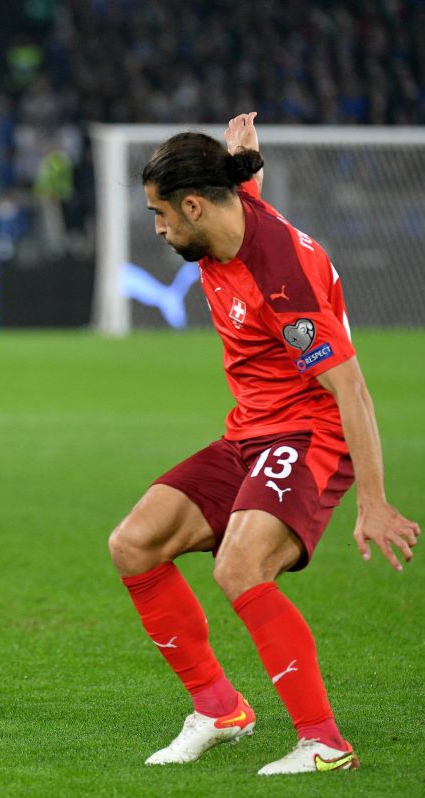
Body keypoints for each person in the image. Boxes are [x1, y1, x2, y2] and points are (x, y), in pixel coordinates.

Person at [109, 112, 418, 775]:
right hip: (248, 431)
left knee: (240, 567)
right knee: (134, 544)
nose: (158, 228)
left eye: (161, 214)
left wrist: (375, 502)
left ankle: (324, 742)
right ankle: (219, 708)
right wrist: (246, 161)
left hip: (311, 432)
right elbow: (243, 196)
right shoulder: (229, 217)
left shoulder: (283, 273)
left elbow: (353, 391)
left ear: (193, 206)